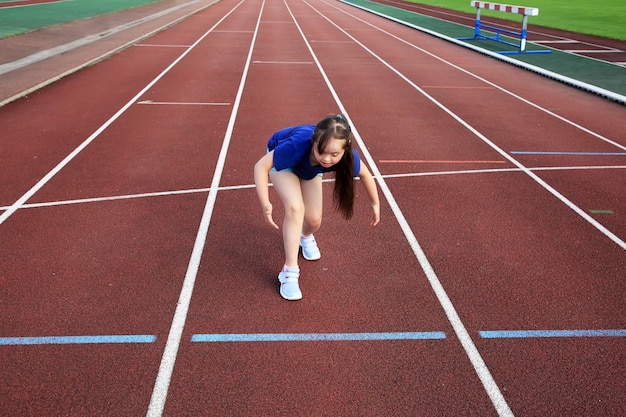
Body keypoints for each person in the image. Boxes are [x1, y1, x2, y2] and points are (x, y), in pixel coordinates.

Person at [254, 114, 380, 301]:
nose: (327, 159)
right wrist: (266, 204)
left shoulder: (345, 156)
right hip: (287, 164)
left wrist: (375, 204)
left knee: (314, 220)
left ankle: (304, 236)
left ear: (345, 150)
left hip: (311, 169)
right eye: (322, 151)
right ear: (314, 142)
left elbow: (366, 175)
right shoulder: (296, 145)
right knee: (296, 208)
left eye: (334, 154)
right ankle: (289, 272)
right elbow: (260, 167)